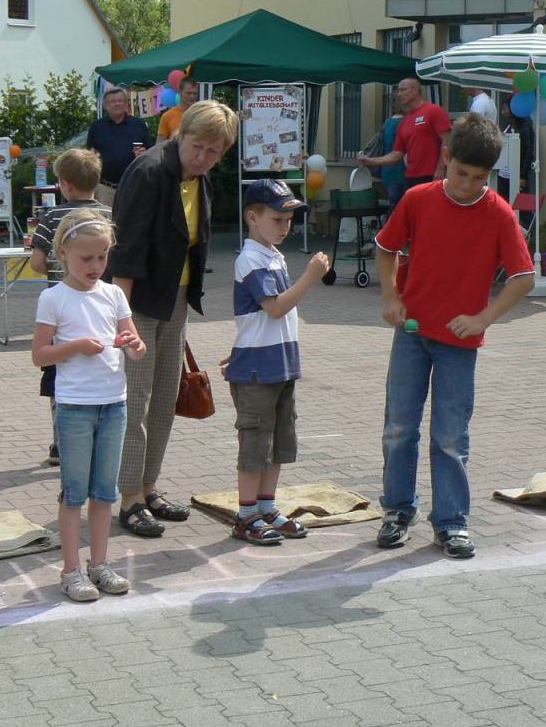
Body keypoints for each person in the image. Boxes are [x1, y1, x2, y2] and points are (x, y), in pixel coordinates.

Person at [373, 113, 535, 559]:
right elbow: (386, 250)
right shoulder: (418, 199)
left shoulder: (499, 213)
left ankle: (451, 522)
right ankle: (397, 510)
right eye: (461, 173)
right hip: (411, 334)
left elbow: (523, 277)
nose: (468, 185)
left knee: (450, 435)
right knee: (400, 427)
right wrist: (391, 297)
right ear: (446, 158)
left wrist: (484, 318)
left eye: (479, 178)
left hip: (460, 345)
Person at [110, 100, 238, 536]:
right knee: (134, 402)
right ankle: (127, 500)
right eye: (197, 146)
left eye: (214, 153)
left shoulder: (199, 180)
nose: (203, 158)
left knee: (166, 398)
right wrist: (121, 319)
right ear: (180, 135)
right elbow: (124, 251)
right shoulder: (147, 173)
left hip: (176, 298)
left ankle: (149, 488)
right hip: (139, 301)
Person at [32, 209, 146, 601]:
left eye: (102, 257)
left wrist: (133, 345)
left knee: (105, 492)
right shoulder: (54, 297)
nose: (96, 266)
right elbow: (40, 355)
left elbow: (135, 346)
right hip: (76, 408)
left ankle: (100, 565)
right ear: (63, 253)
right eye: (87, 258)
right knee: (74, 493)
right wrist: (75, 347)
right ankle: (71, 570)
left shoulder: (114, 294)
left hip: (114, 405)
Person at [224, 180, 330, 545]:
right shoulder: (250, 258)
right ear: (253, 218)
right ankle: (246, 514)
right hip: (258, 371)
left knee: (279, 441)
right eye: (277, 218)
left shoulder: (273, 255)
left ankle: (266, 507)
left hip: (279, 363)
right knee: (255, 443)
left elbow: (259, 320)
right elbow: (275, 308)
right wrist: (310, 277)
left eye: (289, 218)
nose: (285, 226)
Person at [30, 148, 112, 467]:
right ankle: (98, 436)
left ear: (64, 184)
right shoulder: (109, 213)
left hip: (61, 308)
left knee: (59, 375)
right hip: (102, 304)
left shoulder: (53, 217)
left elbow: (38, 262)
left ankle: (60, 443)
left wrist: (55, 266)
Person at [358, 78, 452, 188]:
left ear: (415, 91)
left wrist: (441, 168)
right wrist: (370, 161)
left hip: (432, 175)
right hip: (411, 177)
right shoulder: (404, 122)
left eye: (403, 90)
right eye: (398, 90)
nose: (399, 94)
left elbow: (448, 140)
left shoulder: (434, 111)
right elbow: (396, 155)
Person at [85, 86, 152, 208]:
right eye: (113, 101)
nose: (117, 104)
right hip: (105, 187)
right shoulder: (97, 127)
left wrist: (144, 153)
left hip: (133, 186)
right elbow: (89, 155)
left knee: (132, 222)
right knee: (106, 224)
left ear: (126, 103)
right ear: (105, 105)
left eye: (120, 101)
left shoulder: (138, 125)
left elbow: (151, 152)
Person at [373, 101, 407, 214]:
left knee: (394, 204)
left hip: (386, 168)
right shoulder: (404, 122)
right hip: (400, 168)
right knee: (401, 206)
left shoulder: (387, 122)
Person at [156, 77, 200, 142]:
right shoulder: (168, 115)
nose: (192, 96)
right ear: (179, 92)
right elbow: (159, 144)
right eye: (188, 93)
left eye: (194, 93)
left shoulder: (200, 113)